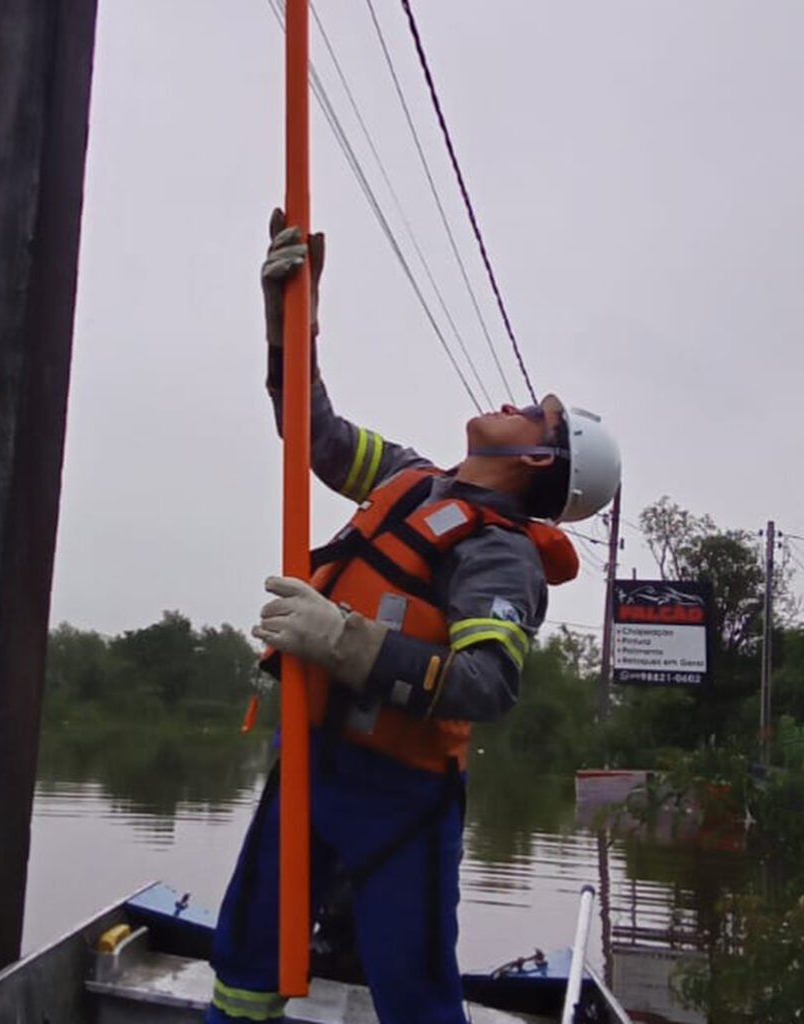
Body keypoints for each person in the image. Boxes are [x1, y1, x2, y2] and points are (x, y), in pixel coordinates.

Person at [204, 210, 622, 1024]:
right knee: (245, 963)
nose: (515, 402)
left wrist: (345, 641)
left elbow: (487, 683)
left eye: (534, 414)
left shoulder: (500, 555)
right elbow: (313, 437)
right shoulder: (411, 479)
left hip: (402, 796)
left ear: (540, 457)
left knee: (416, 996)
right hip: (312, 760)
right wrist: (291, 325)